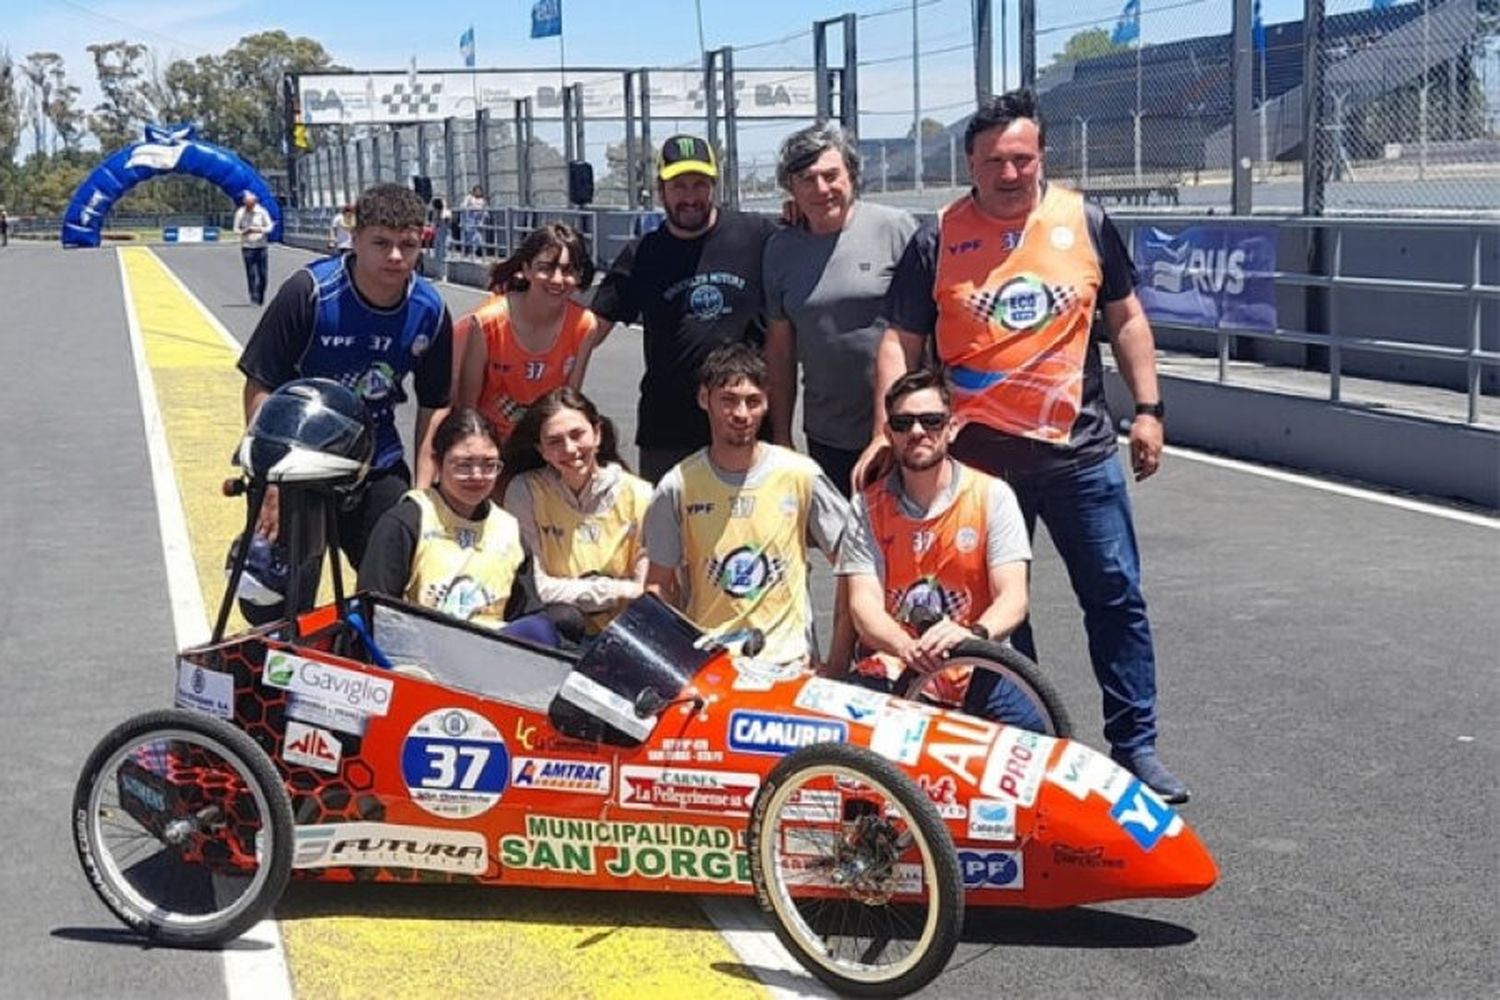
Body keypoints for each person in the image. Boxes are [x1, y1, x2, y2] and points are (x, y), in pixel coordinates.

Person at [866, 88, 1187, 803]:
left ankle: (1136, 749)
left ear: (1041, 156)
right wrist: (889, 430)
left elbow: (1128, 321)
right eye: (993, 162)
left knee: (1114, 598)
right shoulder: (938, 238)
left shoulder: (1087, 221)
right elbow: (901, 341)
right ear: (970, 165)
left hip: (1081, 454)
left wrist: (1150, 410)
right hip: (977, 464)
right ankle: (1029, 748)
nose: (1009, 174)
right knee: (996, 613)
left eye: (1021, 158)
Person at [238, 182, 453, 581]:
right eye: (380, 243)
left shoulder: (430, 310)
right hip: (296, 464)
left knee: (399, 588)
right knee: (271, 594)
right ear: (353, 239)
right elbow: (260, 385)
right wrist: (269, 481)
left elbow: (436, 403)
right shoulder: (309, 293)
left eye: (407, 245)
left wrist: (423, 492)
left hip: (375, 463)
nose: (395, 256)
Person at [837, 369, 1040, 727]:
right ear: (888, 434)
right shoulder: (867, 507)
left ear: (952, 427)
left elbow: (1013, 598)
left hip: (978, 661)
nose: (917, 432)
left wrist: (972, 635)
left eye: (931, 421)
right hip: (897, 661)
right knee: (845, 733)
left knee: (1037, 740)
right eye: (902, 423)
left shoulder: (992, 496)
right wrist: (905, 647)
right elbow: (863, 606)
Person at [643, 343, 848, 668]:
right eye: (728, 400)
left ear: (766, 403)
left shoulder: (801, 474)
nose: (741, 414)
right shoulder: (677, 485)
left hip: (789, 662)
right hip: (711, 664)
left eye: (753, 401)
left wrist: (837, 662)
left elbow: (855, 567)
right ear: (703, 399)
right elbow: (657, 586)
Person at [589, 135, 778, 482]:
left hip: (744, 420)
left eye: (699, 184)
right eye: (679, 186)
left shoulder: (758, 234)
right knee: (669, 533)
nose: (690, 197)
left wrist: (801, 215)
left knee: (750, 531)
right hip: (668, 430)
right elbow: (590, 329)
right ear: (661, 190)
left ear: (714, 186)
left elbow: (810, 252)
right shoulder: (644, 253)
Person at [763, 123, 918, 497]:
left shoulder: (897, 230)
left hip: (906, 428)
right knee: (845, 548)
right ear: (791, 189)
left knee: (910, 544)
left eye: (831, 175)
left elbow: (934, 326)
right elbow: (780, 353)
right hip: (828, 432)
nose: (821, 189)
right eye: (806, 179)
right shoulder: (780, 250)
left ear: (852, 175)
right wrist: (781, 435)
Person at [359, 408, 564, 646]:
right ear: (437, 462)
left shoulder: (508, 529)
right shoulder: (407, 520)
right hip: (420, 652)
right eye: (463, 465)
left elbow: (526, 613)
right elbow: (373, 609)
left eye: (489, 465)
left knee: (553, 623)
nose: (477, 476)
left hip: (491, 653)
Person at [501, 387, 653, 635]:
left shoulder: (640, 494)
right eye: (555, 442)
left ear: (597, 433)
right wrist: (616, 590)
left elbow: (647, 589)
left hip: (625, 635)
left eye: (577, 435)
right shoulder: (524, 492)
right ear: (541, 450)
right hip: (558, 632)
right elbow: (535, 587)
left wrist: (625, 592)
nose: (570, 449)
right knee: (564, 617)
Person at [456, 223, 599, 444]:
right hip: (490, 446)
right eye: (546, 268)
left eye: (568, 270)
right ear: (526, 269)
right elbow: (467, 407)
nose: (557, 280)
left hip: (546, 447)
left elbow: (568, 405)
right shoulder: (487, 321)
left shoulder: (584, 325)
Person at [233, 192, 273, 305]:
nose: (248, 206)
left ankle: (261, 294)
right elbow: (236, 229)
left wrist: (259, 229)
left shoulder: (262, 212)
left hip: (261, 246)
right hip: (247, 246)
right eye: (246, 204)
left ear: (254, 202)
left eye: (250, 204)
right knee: (251, 273)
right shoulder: (240, 213)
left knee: (263, 274)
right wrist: (244, 231)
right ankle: (253, 295)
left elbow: (270, 227)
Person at [428, 197, 452, 281]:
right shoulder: (435, 213)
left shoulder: (446, 213)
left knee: (443, 255)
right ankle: (438, 274)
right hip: (437, 235)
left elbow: (445, 218)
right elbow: (433, 224)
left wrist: (444, 207)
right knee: (437, 255)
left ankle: (444, 275)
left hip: (445, 236)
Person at [461, 185, 487, 256]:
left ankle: (475, 251)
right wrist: (470, 207)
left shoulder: (483, 200)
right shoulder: (470, 198)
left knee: (478, 237)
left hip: (478, 220)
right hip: (470, 219)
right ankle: (468, 251)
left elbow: (484, 211)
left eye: (479, 191)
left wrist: (483, 219)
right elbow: (463, 206)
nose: (478, 192)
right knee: (469, 236)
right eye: (476, 191)